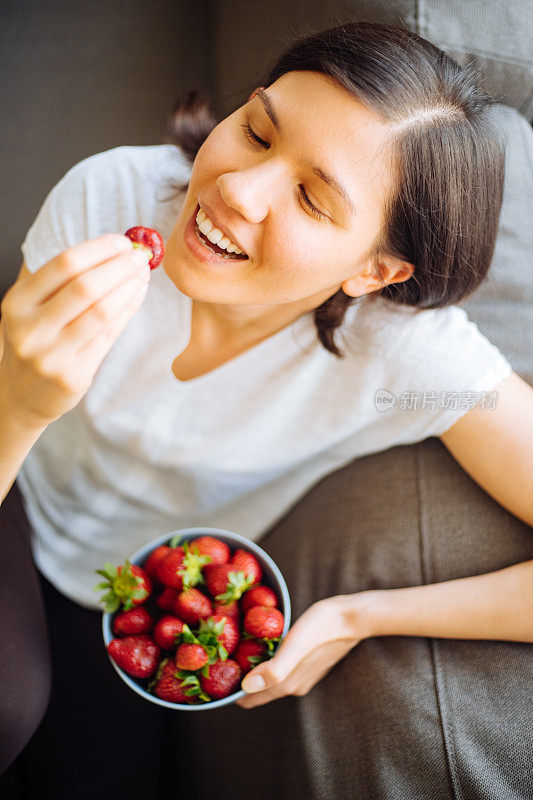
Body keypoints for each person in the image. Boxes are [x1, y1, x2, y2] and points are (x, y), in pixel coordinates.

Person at [1, 20, 532, 800]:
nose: (236, 189)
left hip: (152, 588)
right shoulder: (108, 198)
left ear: (375, 268)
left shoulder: (408, 359)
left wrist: (362, 616)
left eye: (312, 199)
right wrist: (17, 399)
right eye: (254, 131)